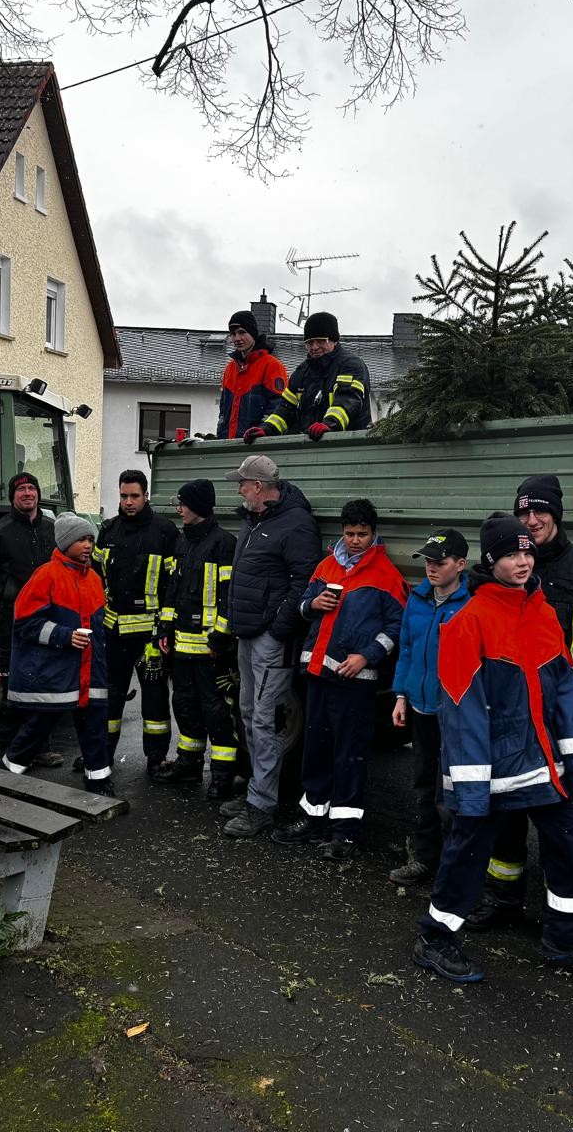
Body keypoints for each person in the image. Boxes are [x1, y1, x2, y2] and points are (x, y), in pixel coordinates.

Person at [411, 514, 573, 985]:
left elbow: (563, 697)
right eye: (511, 554)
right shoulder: (467, 623)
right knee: (468, 851)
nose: (523, 561)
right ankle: (435, 938)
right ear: (491, 562)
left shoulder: (543, 614)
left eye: (527, 552)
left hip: (542, 766)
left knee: (566, 837)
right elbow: (462, 716)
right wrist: (471, 792)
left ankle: (566, 937)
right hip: (490, 772)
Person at [469, 473, 573, 929]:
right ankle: (503, 897)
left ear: (556, 513)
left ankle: (562, 910)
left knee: (562, 818)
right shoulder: (509, 570)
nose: (531, 520)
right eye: (523, 512)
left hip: (569, 721)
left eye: (539, 510)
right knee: (507, 810)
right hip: (516, 719)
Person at [273, 498, 406, 861]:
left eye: (362, 534)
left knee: (349, 757)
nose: (355, 541)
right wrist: (312, 605)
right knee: (315, 751)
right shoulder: (326, 565)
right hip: (319, 676)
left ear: (373, 533)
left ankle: (345, 834)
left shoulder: (386, 576)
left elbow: (398, 628)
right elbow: (303, 605)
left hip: (356, 682)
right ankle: (313, 819)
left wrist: (368, 656)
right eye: (350, 534)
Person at [218, 454, 322, 838]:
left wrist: (278, 629)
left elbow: (304, 581)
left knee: (266, 720)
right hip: (249, 634)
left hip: (269, 639)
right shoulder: (255, 520)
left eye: (242, 484)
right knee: (249, 714)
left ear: (258, 487)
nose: (239, 490)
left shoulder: (296, 524)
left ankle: (261, 806)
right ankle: (255, 791)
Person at [2, 513, 115, 795]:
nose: (88, 545)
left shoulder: (94, 579)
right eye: (80, 540)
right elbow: (25, 623)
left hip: (91, 671)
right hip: (57, 673)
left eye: (89, 539)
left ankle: (99, 783)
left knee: (95, 728)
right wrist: (65, 636)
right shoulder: (46, 575)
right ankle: (6, 777)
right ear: (65, 543)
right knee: (39, 726)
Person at [386, 528, 471, 886]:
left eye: (441, 562)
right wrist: (400, 696)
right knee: (422, 785)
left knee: (449, 794)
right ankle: (424, 858)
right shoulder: (419, 599)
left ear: (461, 565)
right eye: (428, 562)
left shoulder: (470, 605)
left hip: (454, 716)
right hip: (420, 709)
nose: (432, 568)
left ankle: (453, 869)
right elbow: (406, 649)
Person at [155, 478, 243, 799]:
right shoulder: (182, 542)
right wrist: (164, 629)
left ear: (199, 507)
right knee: (185, 705)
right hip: (181, 645)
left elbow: (229, 596)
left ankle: (222, 776)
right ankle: (189, 764)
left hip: (211, 650)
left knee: (217, 711)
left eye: (183, 504)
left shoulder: (224, 544)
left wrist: (220, 637)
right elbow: (172, 590)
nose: (179, 509)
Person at [94, 469, 181, 778]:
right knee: (110, 697)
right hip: (114, 632)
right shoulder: (108, 530)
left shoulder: (165, 531)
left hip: (149, 634)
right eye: (123, 496)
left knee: (155, 701)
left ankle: (156, 759)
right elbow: (96, 577)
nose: (128, 502)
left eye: (134, 496)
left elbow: (174, 585)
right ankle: (101, 755)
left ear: (146, 495)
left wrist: (165, 628)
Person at [0, 471, 58, 753]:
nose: (27, 494)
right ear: (13, 497)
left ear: (38, 494)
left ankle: (42, 747)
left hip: (46, 617)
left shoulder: (52, 529)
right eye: (21, 490)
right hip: (12, 619)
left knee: (44, 683)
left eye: (31, 489)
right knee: (13, 684)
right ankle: (10, 745)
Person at [243, 312, 371, 443]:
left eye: (321, 341)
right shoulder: (301, 372)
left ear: (334, 340)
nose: (314, 347)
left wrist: (330, 424)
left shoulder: (351, 365)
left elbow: (348, 400)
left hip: (349, 444)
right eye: (309, 342)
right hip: (311, 446)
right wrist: (267, 429)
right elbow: (286, 409)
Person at [217, 310, 289, 440]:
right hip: (229, 443)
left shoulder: (272, 366)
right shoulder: (230, 368)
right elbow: (223, 412)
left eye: (242, 332)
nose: (237, 338)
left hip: (258, 443)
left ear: (253, 333)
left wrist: (262, 432)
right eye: (233, 334)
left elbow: (278, 407)